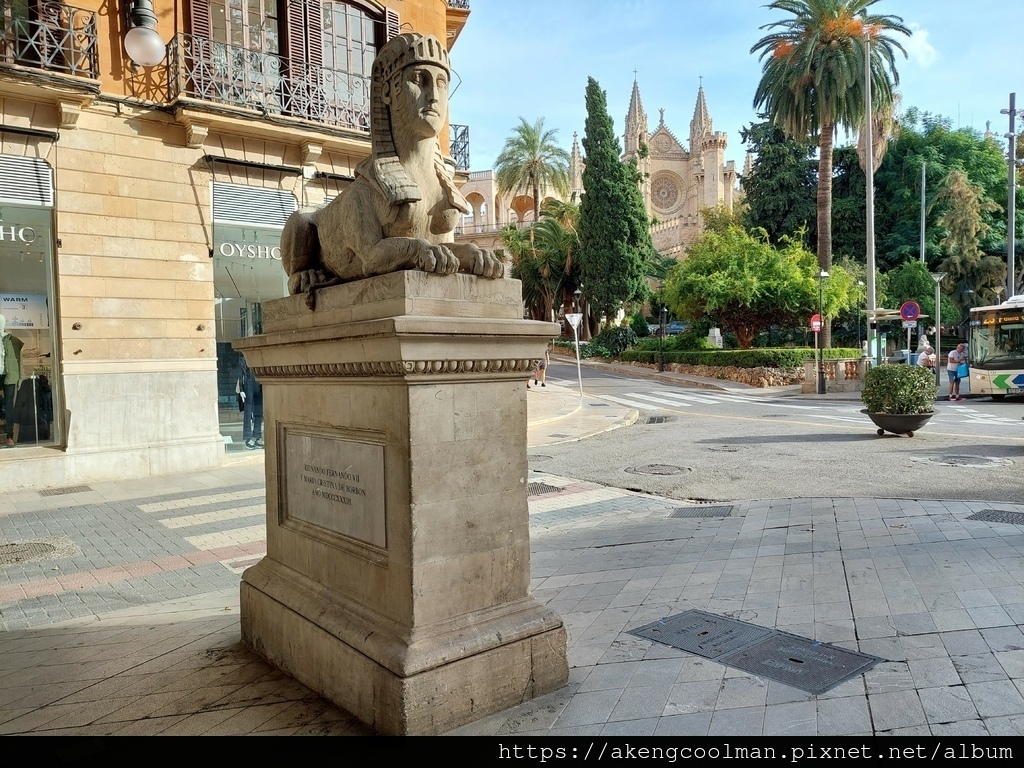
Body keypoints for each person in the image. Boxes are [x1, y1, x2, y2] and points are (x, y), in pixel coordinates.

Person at [281, 33, 503, 296]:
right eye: (419, 80)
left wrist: (470, 253)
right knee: (301, 220)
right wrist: (416, 250)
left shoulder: (440, 188)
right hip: (330, 247)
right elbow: (372, 257)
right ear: (387, 91)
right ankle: (299, 273)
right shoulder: (366, 190)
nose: (433, 96)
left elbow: (440, 249)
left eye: (442, 83)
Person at [0, 314, 24, 448]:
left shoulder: (13, 340)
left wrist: (20, 377)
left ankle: (9, 436)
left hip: (10, 375)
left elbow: (19, 360)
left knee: (10, 406)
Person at [236, 355, 263, 449]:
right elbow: (240, 374)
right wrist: (241, 389)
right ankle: (248, 438)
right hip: (248, 384)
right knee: (248, 412)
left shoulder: (260, 355)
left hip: (259, 384)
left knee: (259, 412)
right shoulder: (244, 357)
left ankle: (257, 436)